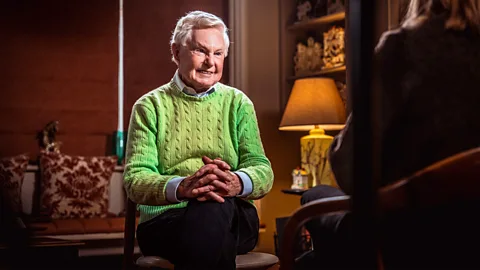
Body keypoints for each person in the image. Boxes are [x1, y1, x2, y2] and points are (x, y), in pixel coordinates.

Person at [298, 0, 480, 269]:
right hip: (470, 241)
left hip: (407, 240)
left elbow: (350, 170)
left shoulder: (405, 45)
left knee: (314, 197)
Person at [123, 10, 274, 270]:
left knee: (215, 202)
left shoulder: (238, 104)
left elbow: (263, 170)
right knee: (211, 214)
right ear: (176, 52)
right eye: (200, 51)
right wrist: (184, 188)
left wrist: (235, 182)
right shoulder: (149, 107)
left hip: (235, 217)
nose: (210, 62)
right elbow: (135, 181)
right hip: (167, 222)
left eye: (217, 53)